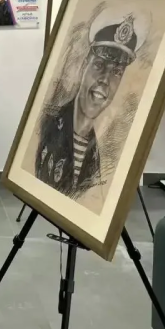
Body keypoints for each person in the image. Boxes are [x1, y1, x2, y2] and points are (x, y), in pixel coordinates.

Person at [36, 12, 145, 200]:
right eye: (99, 65)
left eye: (117, 72)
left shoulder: (97, 152)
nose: (105, 80)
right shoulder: (47, 127)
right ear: (84, 66)